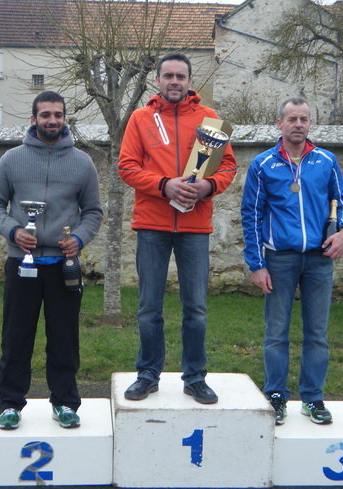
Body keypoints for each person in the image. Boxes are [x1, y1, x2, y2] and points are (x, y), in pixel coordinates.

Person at [118, 53, 237, 404]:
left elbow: (227, 167)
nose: (174, 81)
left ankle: (195, 377)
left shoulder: (210, 120)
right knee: (149, 307)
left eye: (180, 76)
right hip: (152, 224)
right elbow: (126, 167)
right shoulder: (140, 119)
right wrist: (164, 185)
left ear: (189, 81)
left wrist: (208, 186)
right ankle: (148, 374)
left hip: (195, 226)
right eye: (168, 75)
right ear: (157, 79)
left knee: (196, 308)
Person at [0, 91, 103, 430]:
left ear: (65, 119)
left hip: (63, 267)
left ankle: (65, 402)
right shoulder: (11, 160)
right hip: (21, 264)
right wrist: (13, 231)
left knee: (64, 338)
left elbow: (94, 211)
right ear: (33, 119)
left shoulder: (82, 162)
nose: (52, 120)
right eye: (45, 115)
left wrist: (78, 238)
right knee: (16, 336)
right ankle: (10, 404)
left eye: (58, 115)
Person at [240, 97, 343, 425]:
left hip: (320, 259)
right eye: (292, 119)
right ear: (279, 123)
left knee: (317, 332)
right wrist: (256, 264)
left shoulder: (326, 161)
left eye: (304, 119)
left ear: (310, 123)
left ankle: (313, 398)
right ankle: (276, 395)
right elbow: (251, 215)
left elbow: (342, 201)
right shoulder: (263, 165)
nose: (298, 124)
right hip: (279, 260)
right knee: (276, 331)